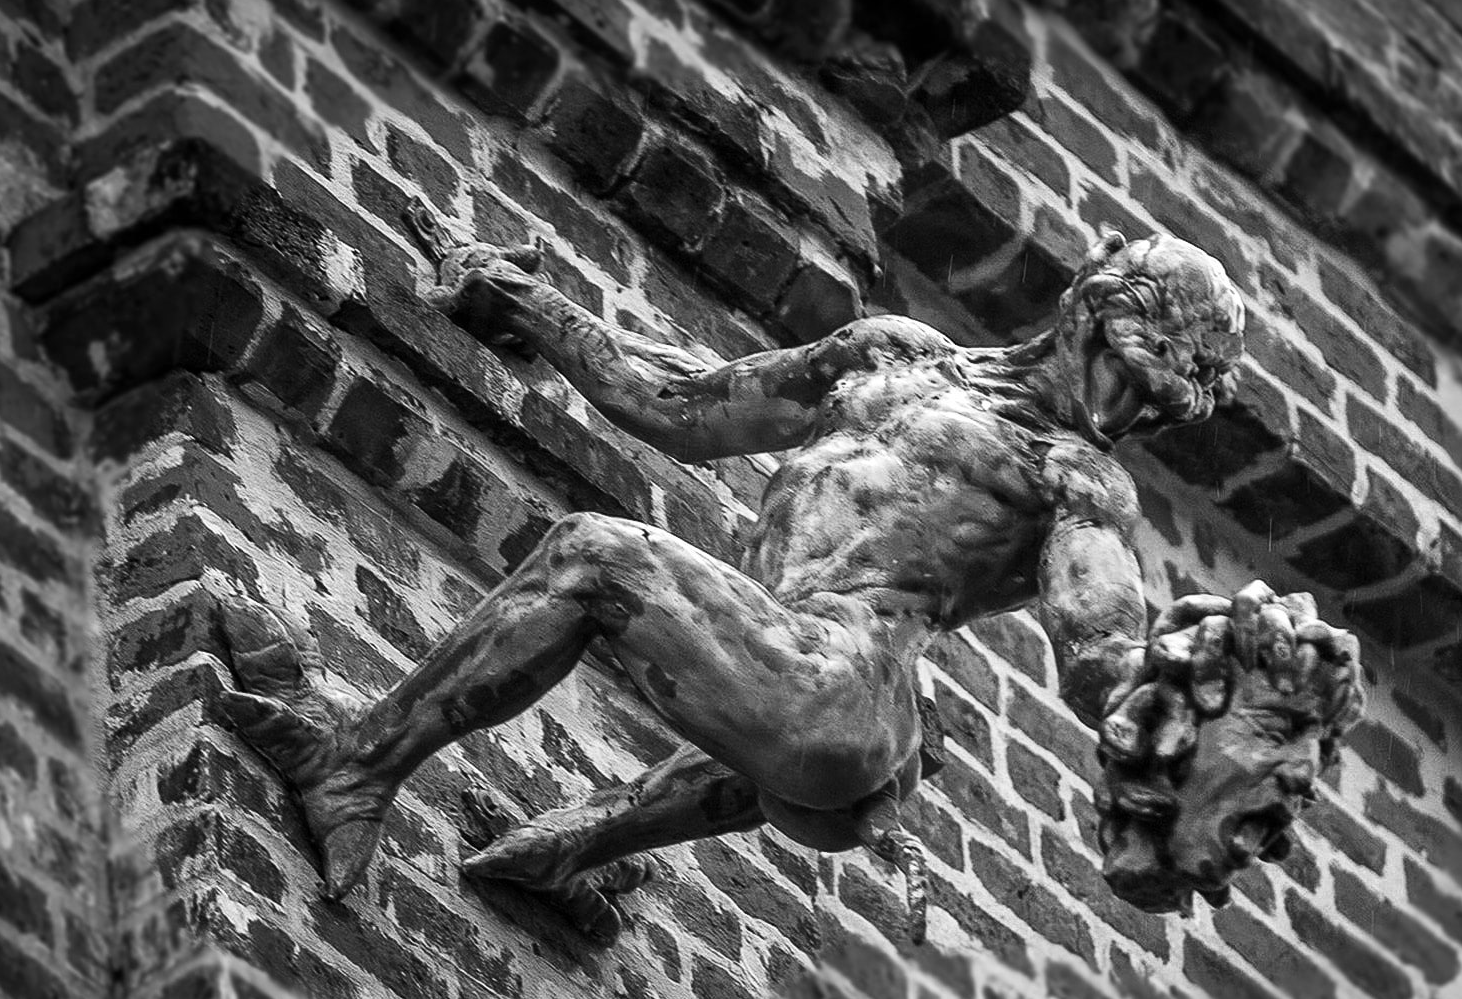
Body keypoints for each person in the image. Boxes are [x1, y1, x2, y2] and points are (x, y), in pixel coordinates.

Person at [219, 215, 1361, 941]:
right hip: (795, 658)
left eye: (1154, 404)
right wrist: (533, 310)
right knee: (687, 609)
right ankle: (571, 847)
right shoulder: (892, 355)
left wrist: (1185, 704)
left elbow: (1100, 651)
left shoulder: (1081, 490)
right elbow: (678, 405)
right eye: (1123, 367)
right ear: (1084, 312)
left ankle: (352, 773)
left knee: (592, 554)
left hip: (844, 689)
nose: (1121, 409)